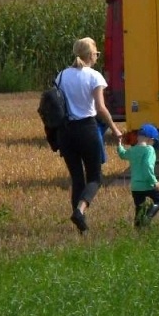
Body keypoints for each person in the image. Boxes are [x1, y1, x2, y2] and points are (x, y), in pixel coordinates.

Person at [55, 37, 122, 232]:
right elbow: (100, 108)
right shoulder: (94, 76)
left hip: (65, 132)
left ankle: (81, 229)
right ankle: (80, 211)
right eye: (96, 54)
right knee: (95, 177)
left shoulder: (61, 75)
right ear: (90, 55)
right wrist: (115, 129)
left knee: (77, 178)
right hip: (87, 129)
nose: (97, 57)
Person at [117, 123, 159, 227]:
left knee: (139, 208)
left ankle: (138, 229)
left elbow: (122, 154)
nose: (153, 144)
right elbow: (148, 166)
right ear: (150, 139)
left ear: (138, 137)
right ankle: (148, 217)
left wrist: (119, 144)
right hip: (148, 185)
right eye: (154, 142)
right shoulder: (149, 150)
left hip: (136, 187)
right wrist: (154, 181)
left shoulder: (132, 150)